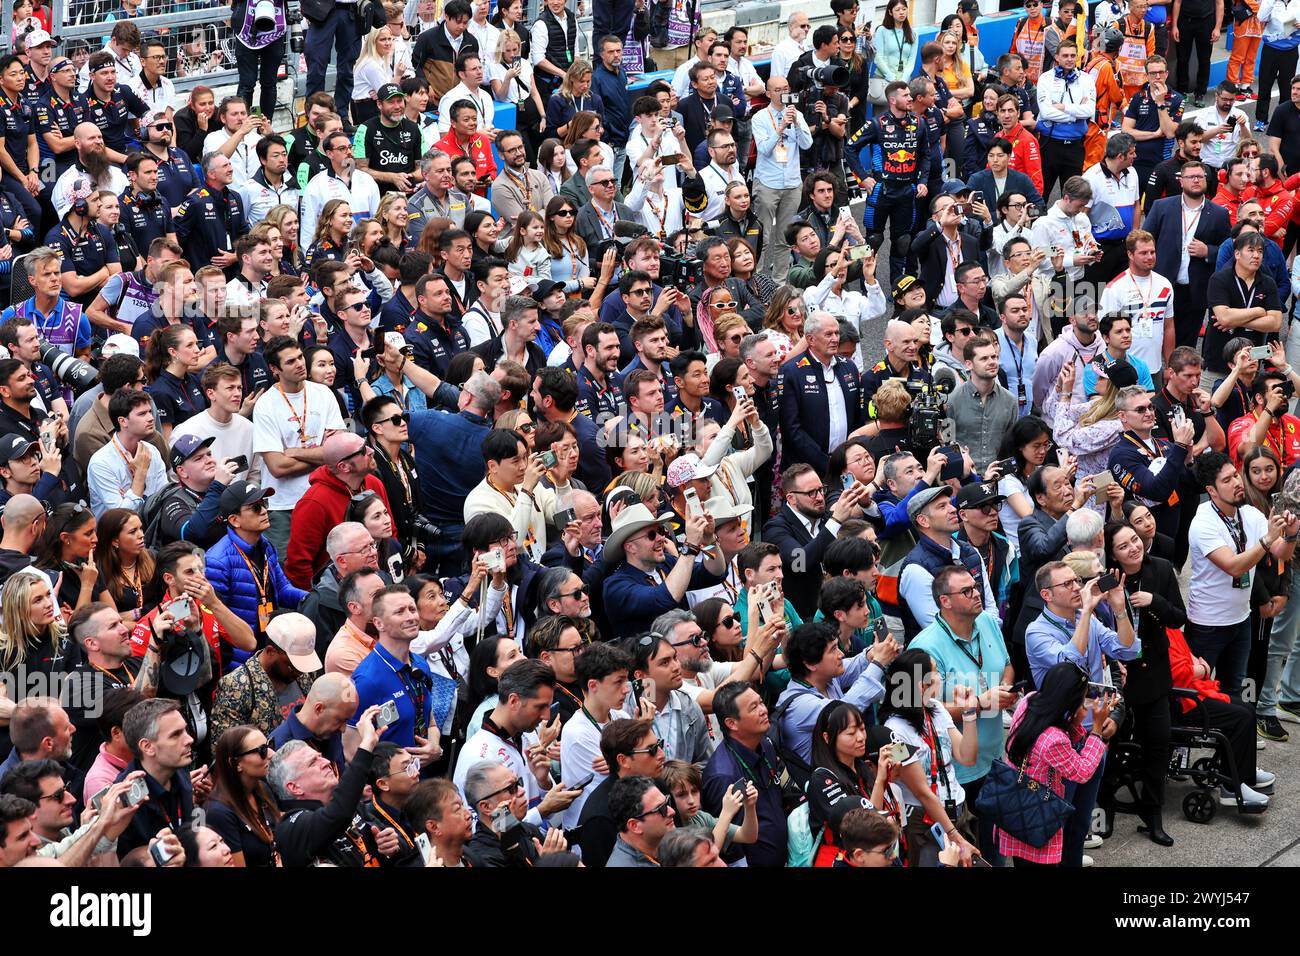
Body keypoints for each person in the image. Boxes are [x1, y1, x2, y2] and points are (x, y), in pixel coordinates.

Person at [998, 661, 1115, 866]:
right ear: (1069, 702)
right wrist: (1096, 728)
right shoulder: (1054, 739)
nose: (1083, 705)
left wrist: (1075, 720)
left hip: (1018, 803)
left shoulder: (1030, 700)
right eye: (1081, 700)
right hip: (1039, 814)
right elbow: (1083, 770)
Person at [253, 337, 346, 556]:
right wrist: (322, 456)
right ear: (275, 369)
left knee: (332, 564)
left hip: (325, 495)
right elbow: (277, 467)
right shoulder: (265, 405)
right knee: (290, 572)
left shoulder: (324, 394)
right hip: (284, 505)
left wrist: (295, 452)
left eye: (300, 357)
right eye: (290, 361)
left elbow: (340, 452)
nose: (300, 364)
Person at [269, 704, 388, 867]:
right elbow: (337, 815)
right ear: (294, 787)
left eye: (320, 757)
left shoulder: (348, 805)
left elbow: (388, 840)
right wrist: (366, 744)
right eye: (313, 763)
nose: (325, 762)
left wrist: (391, 846)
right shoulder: (291, 828)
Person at [1142, 159, 1230, 350]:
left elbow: (1228, 250)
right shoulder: (1161, 207)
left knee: (1186, 345)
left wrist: (1209, 251)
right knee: (1153, 339)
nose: (1196, 180)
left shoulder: (1219, 214)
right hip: (1162, 285)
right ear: (1181, 181)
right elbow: (1143, 240)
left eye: (1200, 176)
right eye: (1191, 177)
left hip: (1195, 290)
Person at [112, 698, 198, 860]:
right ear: (148, 747)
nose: (189, 740)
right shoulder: (125, 800)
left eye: (185, 730)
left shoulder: (180, 769)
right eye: (175, 735)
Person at [203, 724, 282, 867]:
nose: (271, 754)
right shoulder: (219, 813)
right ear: (236, 763)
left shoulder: (262, 788)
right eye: (262, 750)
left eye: (269, 745)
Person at [86, 388, 166, 518]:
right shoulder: (100, 463)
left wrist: (129, 495)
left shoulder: (152, 451)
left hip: (152, 528)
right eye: (142, 414)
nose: (151, 418)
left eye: (150, 412)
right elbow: (124, 517)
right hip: (116, 536)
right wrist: (140, 474)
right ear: (123, 421)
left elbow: (164, 498)